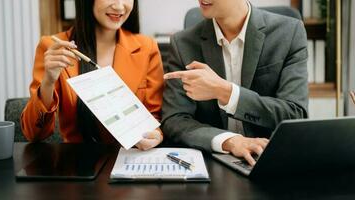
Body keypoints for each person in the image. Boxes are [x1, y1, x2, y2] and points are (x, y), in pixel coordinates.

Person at [162, 0, 308, 165]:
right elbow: (175, 119)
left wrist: (226, 92)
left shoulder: (289, 32)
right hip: (213, 162)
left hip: (272, 158)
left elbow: (295, 114)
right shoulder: (183, 43)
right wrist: (229, 141)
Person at [21, 0, 164, 150]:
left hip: (130, 161)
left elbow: (154, 116)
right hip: (78, 165)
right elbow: (34, 134)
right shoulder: (55, 49)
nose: (119, 6)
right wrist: (48, 82)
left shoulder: (147, 48)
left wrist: (155, 134)